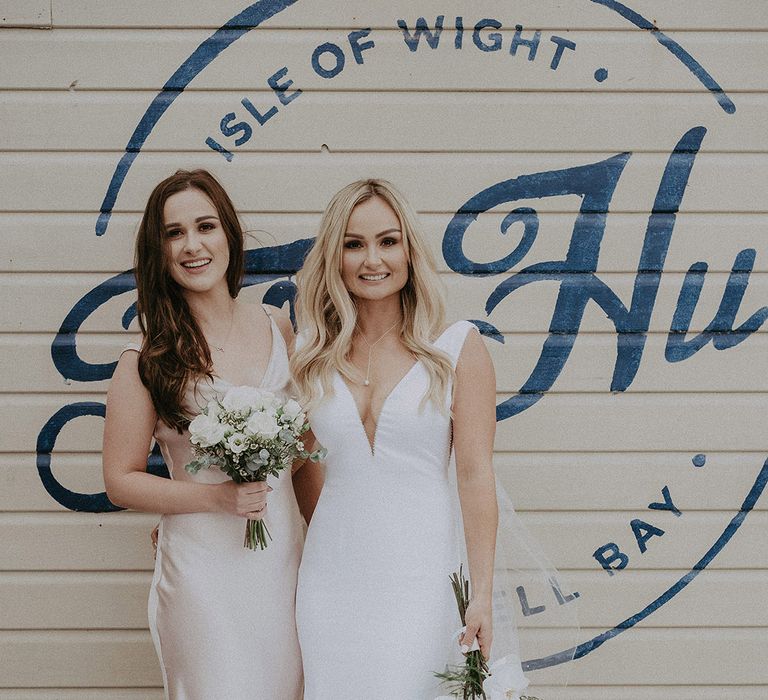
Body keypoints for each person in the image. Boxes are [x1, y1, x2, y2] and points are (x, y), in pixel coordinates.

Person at [103, 169, 320, 699]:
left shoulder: (278, 326)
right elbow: (120, 480)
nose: (193, 245)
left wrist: (327, 537)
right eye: (173, 233)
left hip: (283, 562)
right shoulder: (148, 359)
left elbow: (303, 450)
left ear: (229, 234)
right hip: (205, 573)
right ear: (158, 252)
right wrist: (216, 496)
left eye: (206, 226)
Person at [290, 179, 499, 698]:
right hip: (331, 577)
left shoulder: (456, 349)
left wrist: (482, 594)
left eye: (388, 241)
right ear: (334, 256)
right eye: (353, 244)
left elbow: (475, 476)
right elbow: (299, 470)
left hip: (423, 572)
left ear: (410, 250)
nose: (372, 259)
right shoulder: (309, 357)